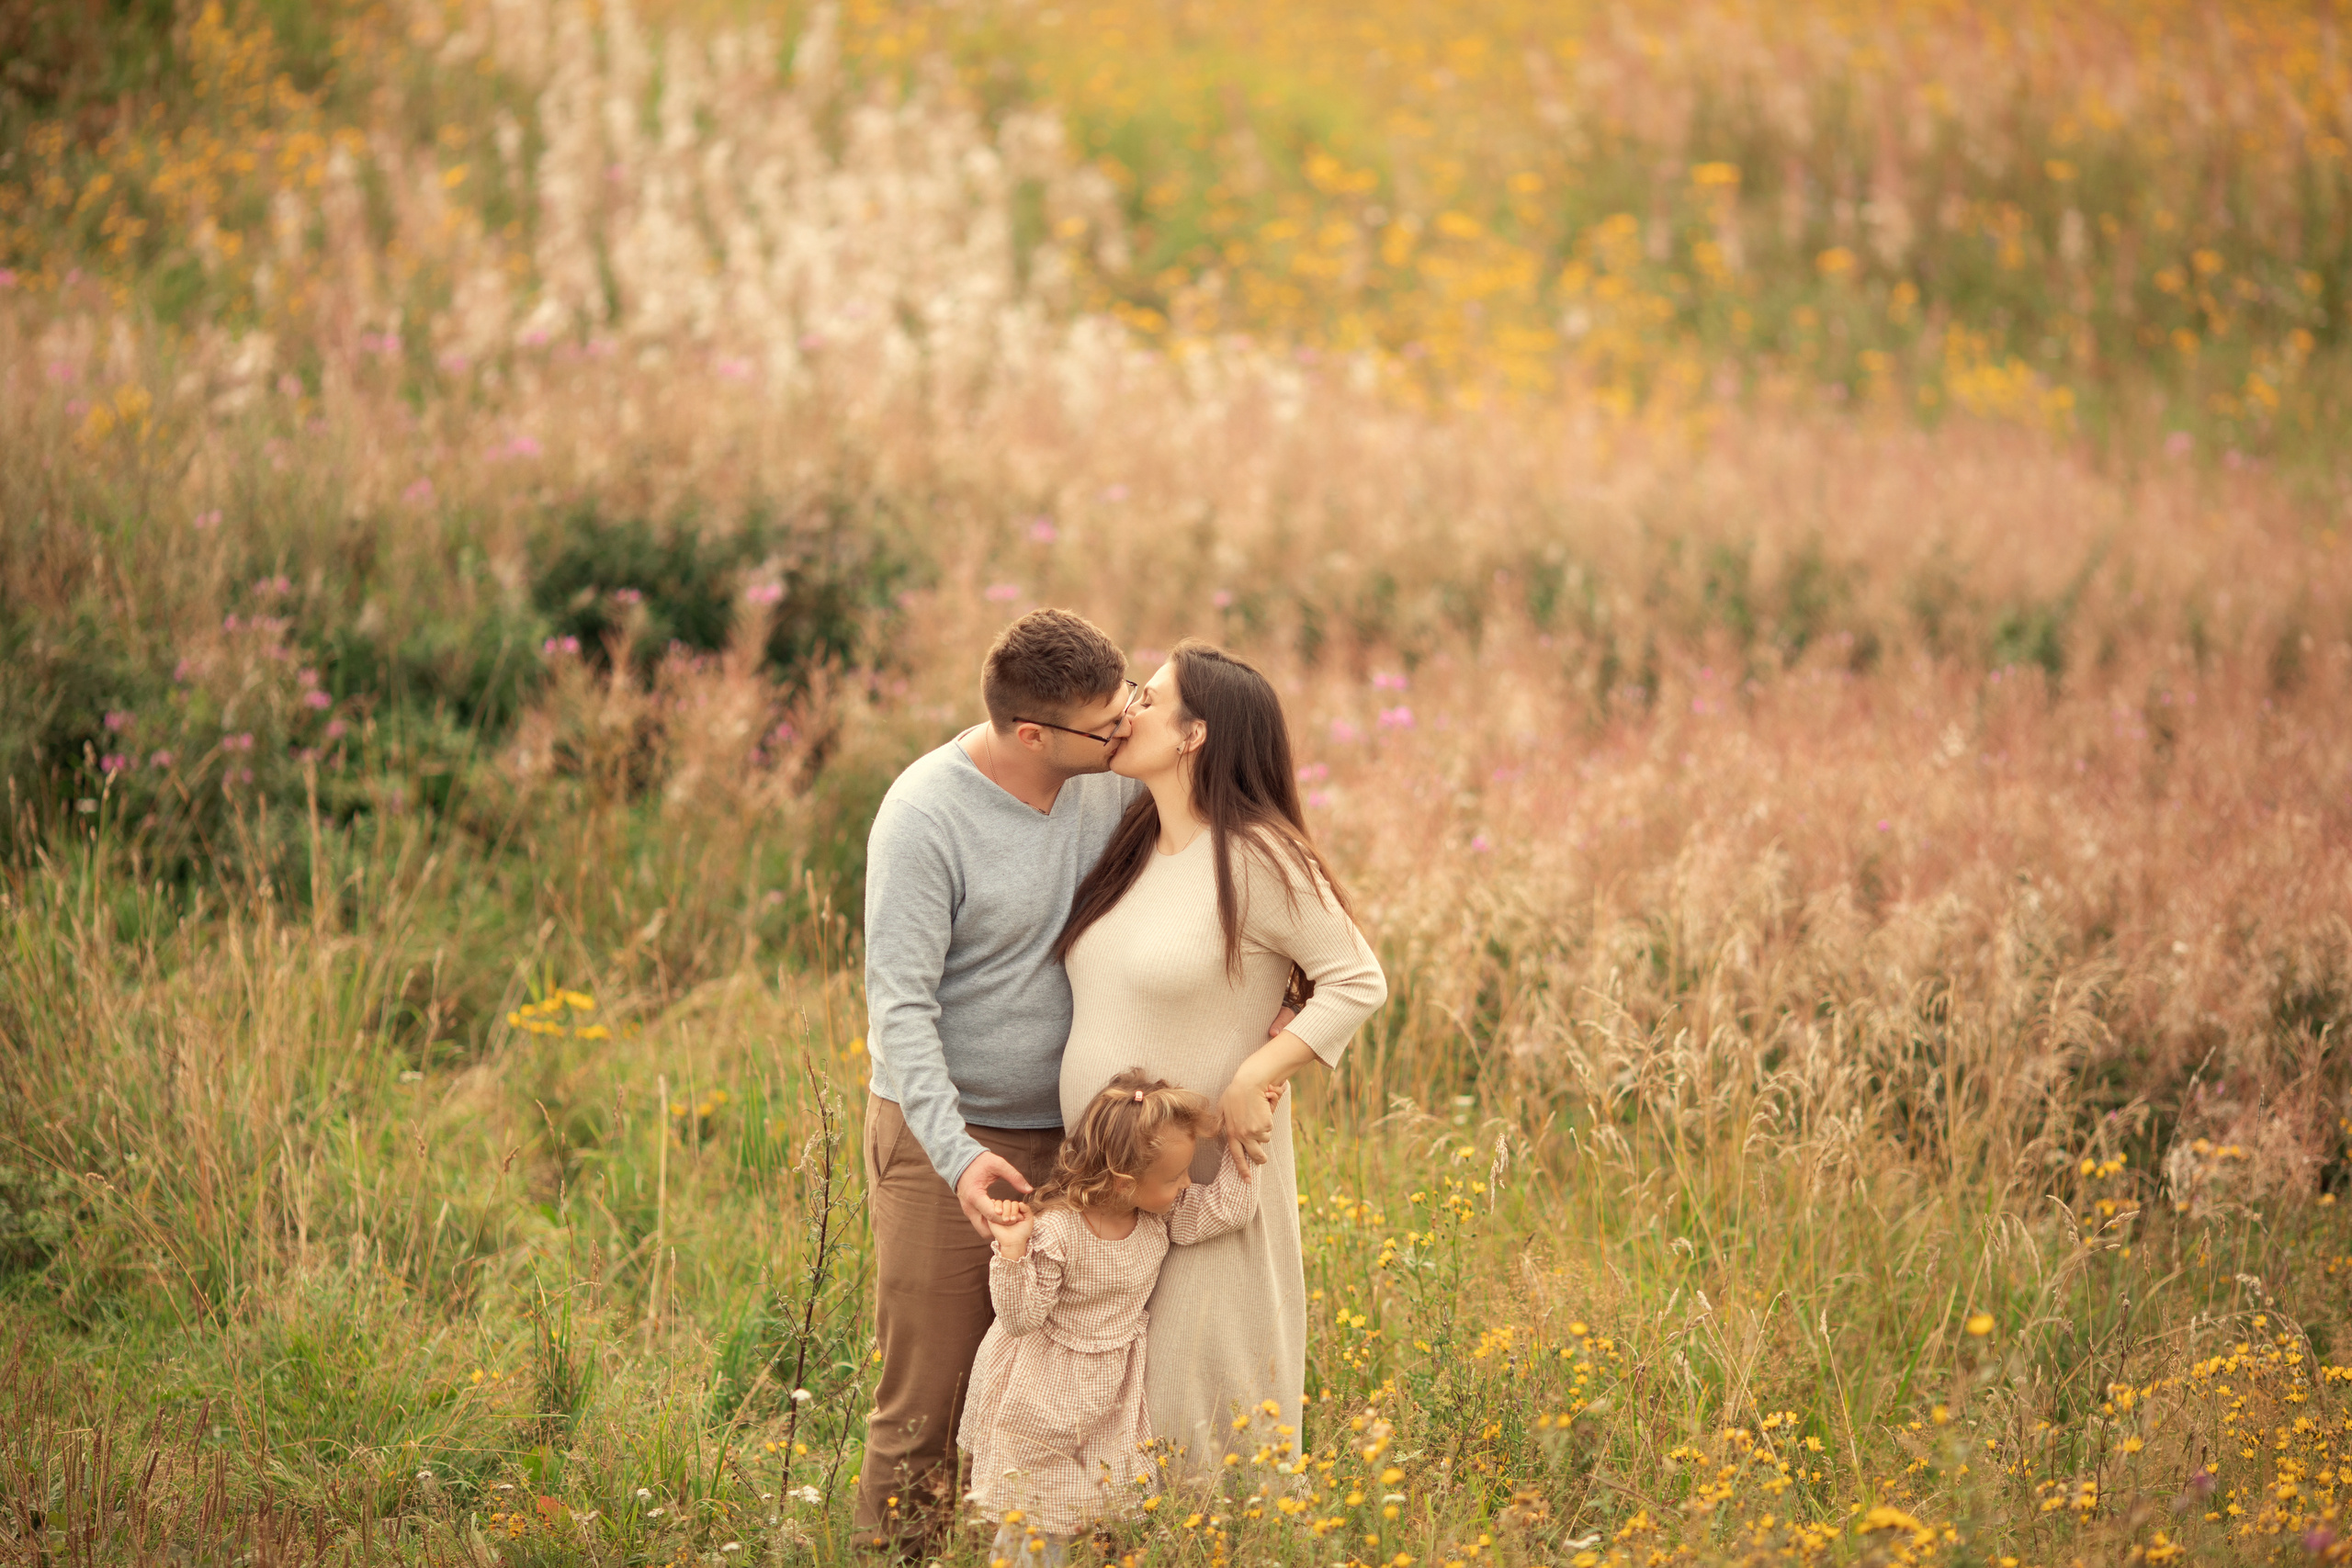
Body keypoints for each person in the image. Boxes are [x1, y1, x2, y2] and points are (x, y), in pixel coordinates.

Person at [1055, 639, 1388, 1478]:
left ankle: (1227, 1539)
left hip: (1202, 1186)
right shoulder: (1135, 842)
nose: (1127, 709)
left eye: (1149, 697)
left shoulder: (1258, 856)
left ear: (1195, 733)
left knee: (1198, 1419)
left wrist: (1256, 1073)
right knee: (1105, 1424)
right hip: (1108, 1192)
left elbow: (1357, 977)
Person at [855, 608, 1145, 1549]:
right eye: (1106, 724)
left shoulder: (1113, 778)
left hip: (1081, 1139)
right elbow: (900, 1010)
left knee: (1070, 1390)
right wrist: (956, 1156)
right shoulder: (924, 816)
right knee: (927, 1406)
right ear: (1032, 734)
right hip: (950, 1137)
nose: (1126, 731)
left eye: (1129, 705)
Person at [957, 1070, 1261, 1566]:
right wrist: (1012, 1253)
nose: (1187, 1183)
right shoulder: (1058, 1230)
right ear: (1124, 1182)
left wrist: (1243, 1139)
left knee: (1088, 1510)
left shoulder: (1157, 1218)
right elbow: (1020, 1318)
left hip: (1108, 1390)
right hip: (1042, 1387)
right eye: (1174, 1177)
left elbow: (1231, 1209)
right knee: (1035, 1514)